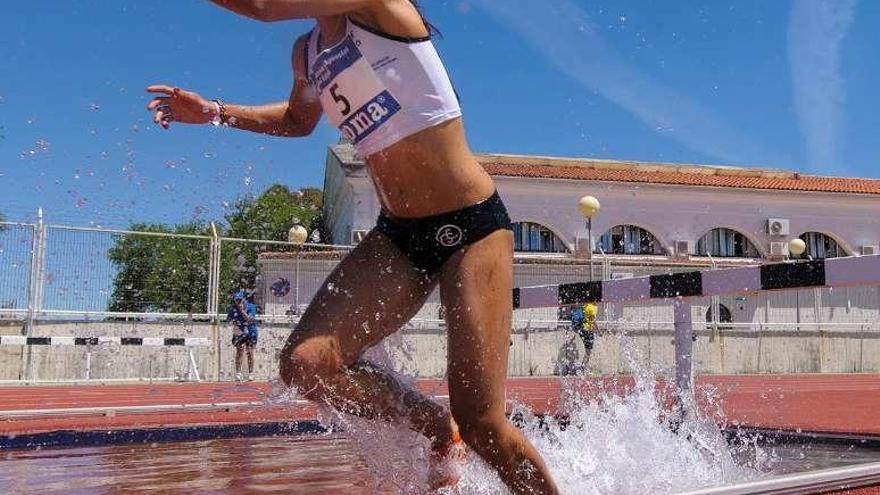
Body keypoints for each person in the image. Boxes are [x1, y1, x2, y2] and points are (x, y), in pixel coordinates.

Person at [146, 1, 559, 493]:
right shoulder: (308, 53)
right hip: (399, 235)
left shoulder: (378, 7)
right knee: (307, 364)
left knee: (483, 423)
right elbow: (299, 120)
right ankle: (433, 426)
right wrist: (215, 113)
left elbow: (261, 7)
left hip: (469, 226)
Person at [227, 291, 259, 381]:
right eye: (236, 301)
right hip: (240, 331)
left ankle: (251, 373)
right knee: (239, 350)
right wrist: (234, 322)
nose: (238, 302)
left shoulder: (251, 307)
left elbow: (249, 320)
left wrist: (242, 311)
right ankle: (238, 373)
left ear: (244, 299)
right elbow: (229, 320)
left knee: (250, 351)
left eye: (240, 300)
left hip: (251, 331)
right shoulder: (232, 309)